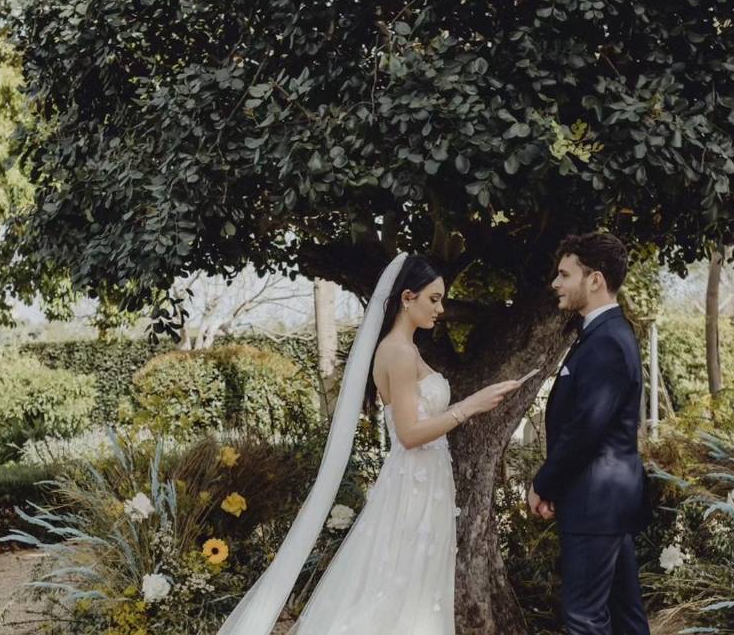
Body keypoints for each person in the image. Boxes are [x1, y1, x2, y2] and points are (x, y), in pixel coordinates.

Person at [218, 253, 520, 635]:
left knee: (413, 591)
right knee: (397, 591)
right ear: (407, 297)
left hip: (426, 484)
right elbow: (410, 434)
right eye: (434, 298)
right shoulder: (398, 352)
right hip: (414, 486)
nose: (441, 309)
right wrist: (470, 407)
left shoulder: (406, 350)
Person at [528, 232, 652, 635]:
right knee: (627, 618)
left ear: (594, 279)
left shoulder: (606, 343)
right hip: (607, 504)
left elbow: (585, 429)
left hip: (595, 503)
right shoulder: (604, 335)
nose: (555, 283)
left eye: (565, 275)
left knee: (584, 619)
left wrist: (545, 483)